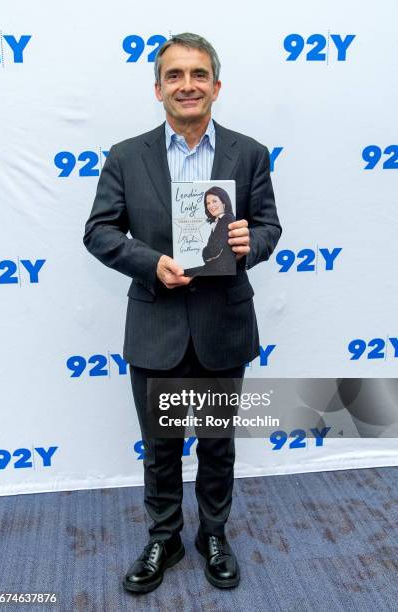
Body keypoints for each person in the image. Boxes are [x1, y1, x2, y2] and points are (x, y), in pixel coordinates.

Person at [83, 32, 281, 594]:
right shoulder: (125, 156)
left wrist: (251, 241)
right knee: (161, 448)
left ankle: (212, 533)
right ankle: (164, 536)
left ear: (216, 86)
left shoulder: (250, 153)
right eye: (175, 75)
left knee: (218, 445)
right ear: (158, 88)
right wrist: (151, 263)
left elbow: (269, 226)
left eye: (198, 74)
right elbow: (98, 232)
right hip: (156, 324)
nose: (187, 85)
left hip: (224, 324)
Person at [184, 186, 236, 277]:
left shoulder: (226, 218)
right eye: (208, 203)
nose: (211, 206)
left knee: (184, 273)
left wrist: (204, 253)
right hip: (215, 267)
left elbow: (213, 250)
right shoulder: (218, 221)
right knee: (184, 271)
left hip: (220, 271)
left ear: (224, 203)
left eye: (214, 201)